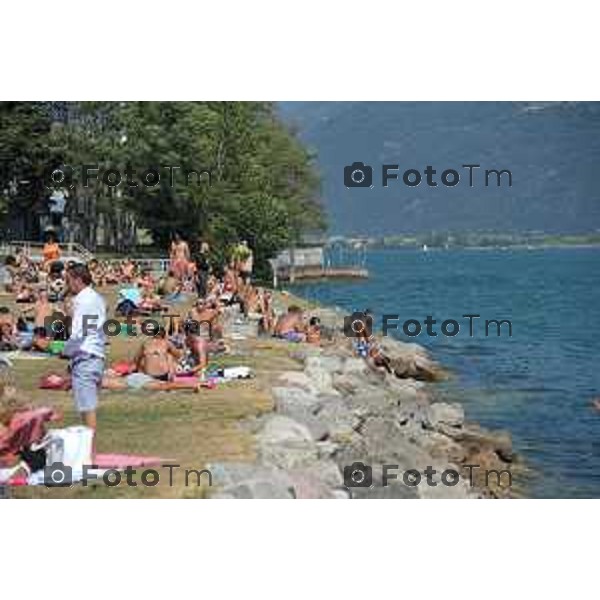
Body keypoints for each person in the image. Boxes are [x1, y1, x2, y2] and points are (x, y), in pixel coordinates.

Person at [63, 263, 106, 433]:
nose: (67, 285)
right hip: (96, 354)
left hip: (85, 355)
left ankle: (87, 453)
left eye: (68, 280)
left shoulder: (81, 300)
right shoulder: (97, 298)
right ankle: (88, 450)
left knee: (87, 409)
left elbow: (78, 333)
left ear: (77, 280)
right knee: (89, 407)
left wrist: (65, 351)